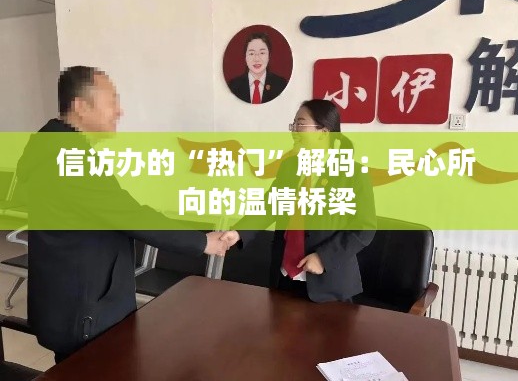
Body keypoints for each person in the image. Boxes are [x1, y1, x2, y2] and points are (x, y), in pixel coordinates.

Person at [16, 66, 231, 363]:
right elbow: (131, 216)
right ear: (81, 106)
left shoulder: (48, 145)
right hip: (83, 312)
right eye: (112, 101)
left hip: (65, 302)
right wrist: (204, 242)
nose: (119, 111)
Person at [222, 99, 376, 302]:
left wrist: (323, 258)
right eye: (293, 125)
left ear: (323, 132)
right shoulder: (290, 167)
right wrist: (239, 232)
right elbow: (270, 206)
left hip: (329, 284)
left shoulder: (353, 173)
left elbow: (364, 228)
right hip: (284, 278)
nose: (294, 131)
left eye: (301, 124)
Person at [228, 32, 288, 104]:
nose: (256, 59)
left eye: (262, 53)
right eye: (251, 53)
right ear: (245, 57)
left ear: (269, 56)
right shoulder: (234, 85)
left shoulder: (280, 84)